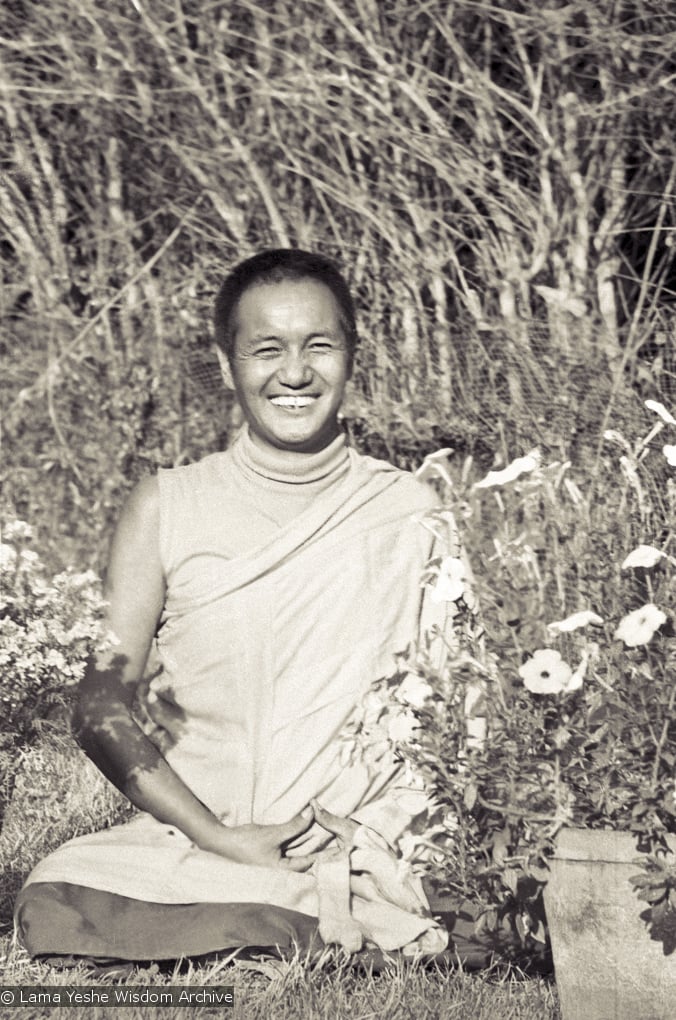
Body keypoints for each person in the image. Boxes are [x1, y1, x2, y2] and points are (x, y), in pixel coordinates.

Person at [15, 249, 458, 968]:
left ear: (352, 357)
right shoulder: (167, 503)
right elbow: (100, 700)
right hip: (205, 832)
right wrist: (221, 837)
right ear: (227, 365)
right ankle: (298, 907)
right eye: (266, 350)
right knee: (64, 893)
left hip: (368, 831)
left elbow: (455, 706)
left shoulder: (409, 509)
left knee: (493, 886)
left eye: (319, 346)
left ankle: (305, 904)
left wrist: (378, 823)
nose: (293, 373)